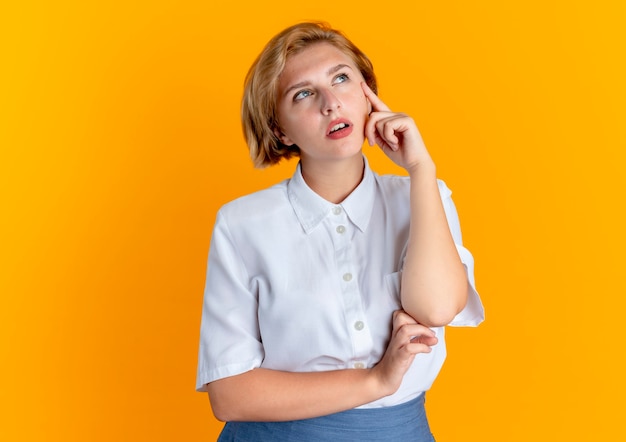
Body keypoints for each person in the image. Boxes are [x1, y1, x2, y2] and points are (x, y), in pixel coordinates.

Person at [196, 22, 484, 441]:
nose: (331, 103)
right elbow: (229, 395)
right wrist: (377, 381)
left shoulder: (423, 196)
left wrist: (422, 169)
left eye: (342, 78)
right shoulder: (242, 224)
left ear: (368, 93)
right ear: (280, 129)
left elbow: (436, 309)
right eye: (304, 93)